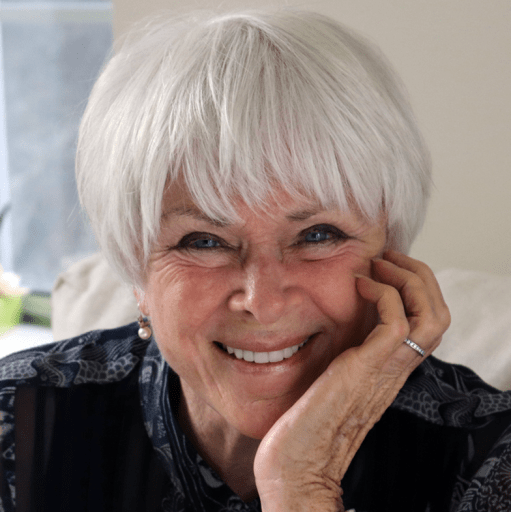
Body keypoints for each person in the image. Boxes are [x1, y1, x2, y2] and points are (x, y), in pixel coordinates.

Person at [1, 8, 510, 512]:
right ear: (137, 270)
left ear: (391, 253)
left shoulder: (490, 459)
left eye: (317, 235)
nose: (263, 302)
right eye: (204, 241)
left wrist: (300, 486)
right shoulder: (16, 416)